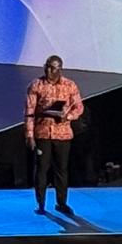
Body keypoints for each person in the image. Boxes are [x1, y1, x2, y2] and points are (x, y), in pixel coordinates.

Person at [24, 54, 84, 216]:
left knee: (61, 170)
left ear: (59, 69)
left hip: (62, 134)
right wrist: (29, 135)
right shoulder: (36, 85)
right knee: (42, 169)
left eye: (53, 68)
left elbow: (79, 107)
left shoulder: (69, 85)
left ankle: (61, 202)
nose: (49, 70)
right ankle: (41, 203)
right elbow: (29, 112)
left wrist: (68, 116)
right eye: (47, 66)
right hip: (43, 133)